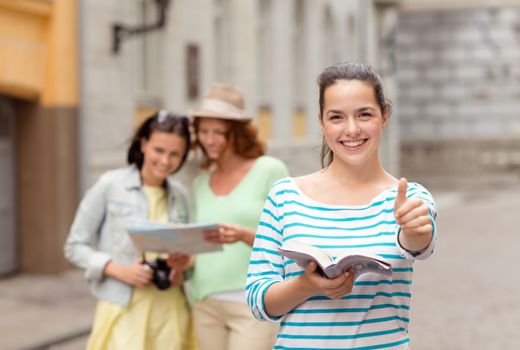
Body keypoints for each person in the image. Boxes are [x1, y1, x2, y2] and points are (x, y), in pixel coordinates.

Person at [246, 62, 437, 349]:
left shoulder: (409, 198)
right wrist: (306, 285)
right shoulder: (284, 196)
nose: (351, 129)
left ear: (384, 116)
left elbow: (418, 244)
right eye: (336, 117)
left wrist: (415, 229)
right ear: (321, 122)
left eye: (364, 114)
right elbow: (258, 301)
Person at [64, 111, 194, 350]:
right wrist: (117, 270)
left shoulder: (182, 195)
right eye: (159, 150)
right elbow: (74, 246)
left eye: (175, 154)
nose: (165, 161)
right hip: (123, 309)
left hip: (170, 312)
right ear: (143, 144)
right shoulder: (109, 185)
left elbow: (189, 255)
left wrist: (181, 268)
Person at [188, 83, 289, 350]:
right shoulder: (200, 183)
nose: (209, 139)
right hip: (205, 301)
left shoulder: (269, 170)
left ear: (237, 133)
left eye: (219, 132)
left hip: (251, 302)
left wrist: (245, 235)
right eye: (204, 131)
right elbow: (202, 246)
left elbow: (291, 240)